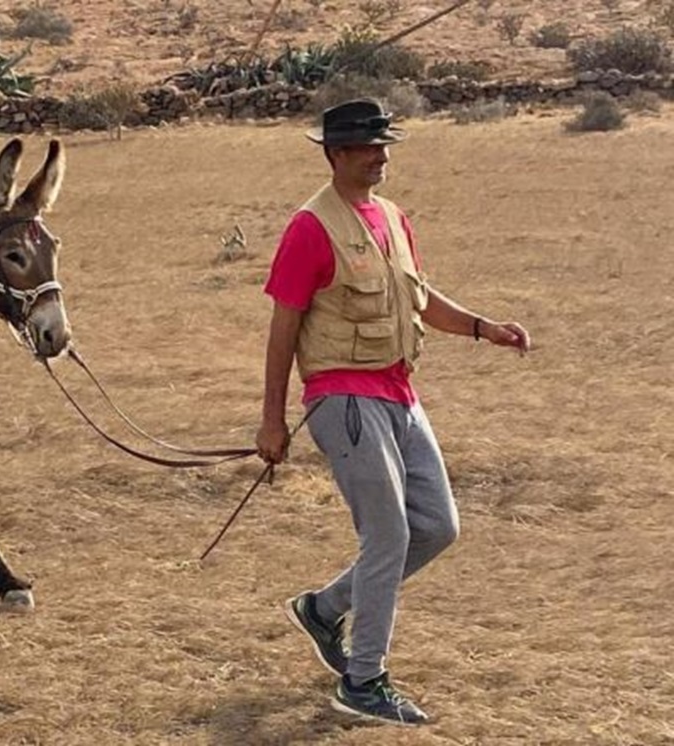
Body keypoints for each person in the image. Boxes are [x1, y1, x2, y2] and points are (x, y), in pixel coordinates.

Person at [255, 99, 531, 726]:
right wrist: (271, 419)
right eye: (368, 147)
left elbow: (419, 296)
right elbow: (283, 328)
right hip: (343, 400)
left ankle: (324, 610)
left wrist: (483, 327)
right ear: (336, 155)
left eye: (384, 146)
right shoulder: (309, 228)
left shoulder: (391, 217)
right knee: (388, 535)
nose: (382, 157)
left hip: (399, 394)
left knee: (437, 525)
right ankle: (363, 682)